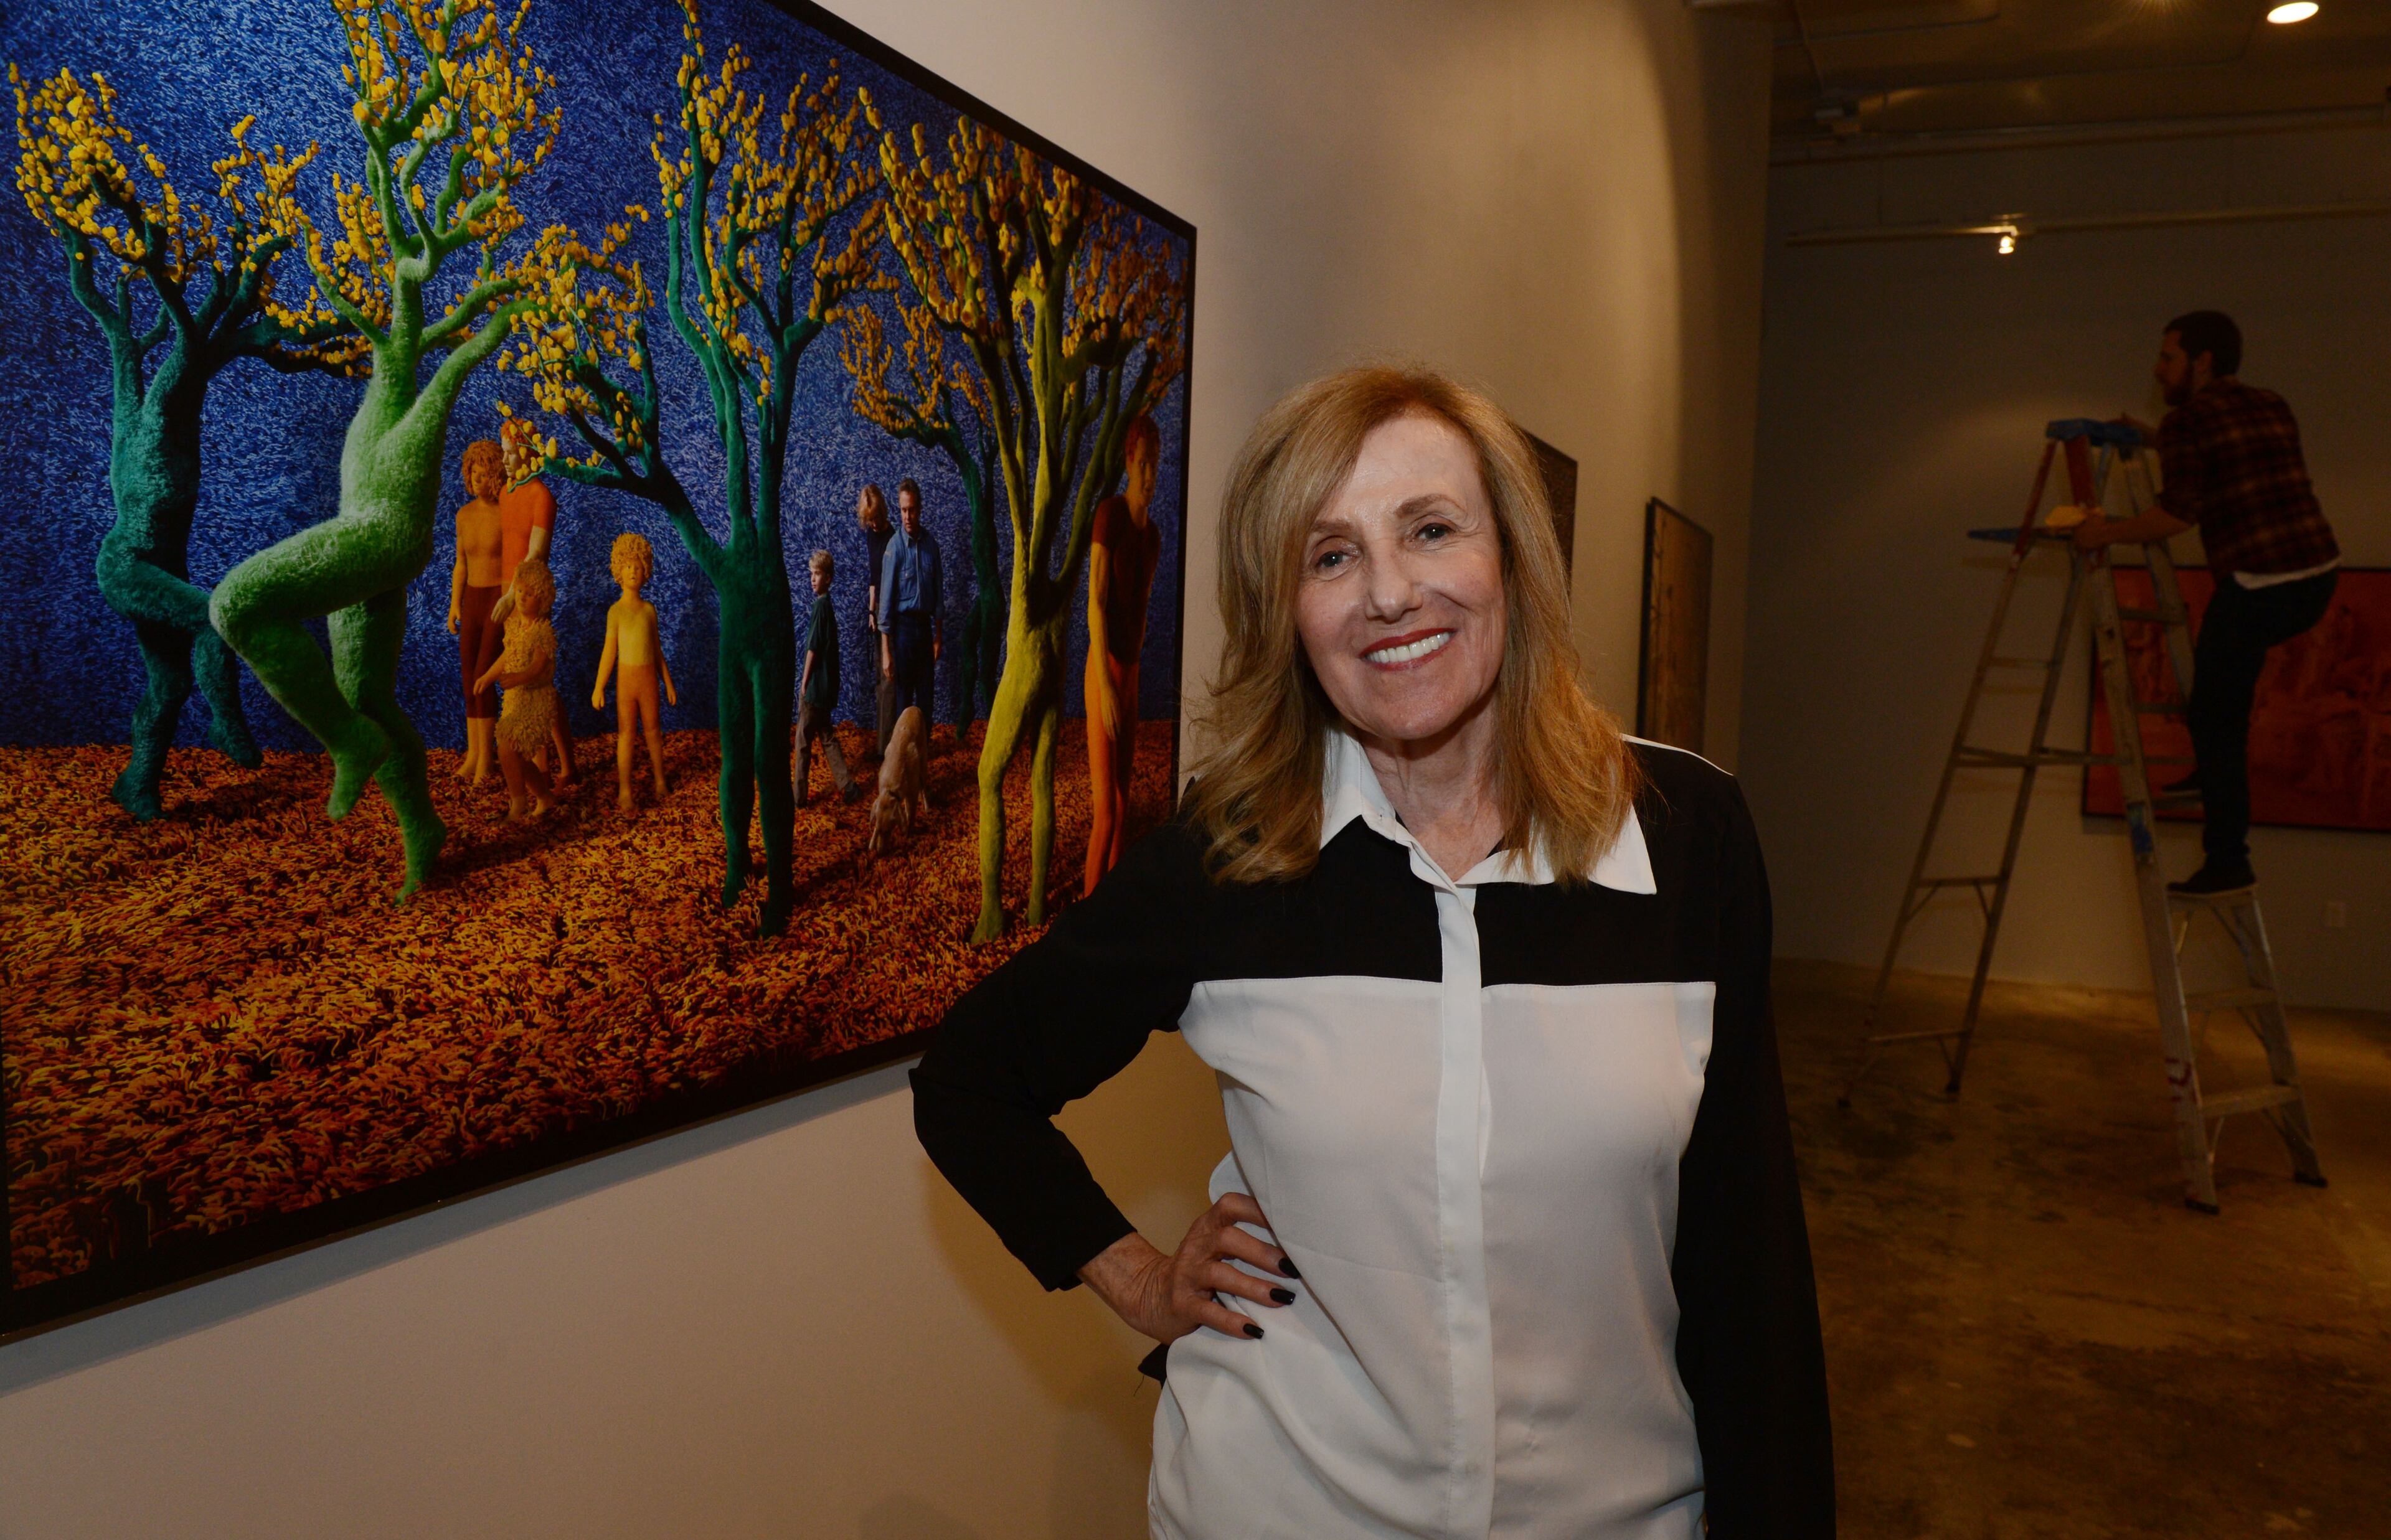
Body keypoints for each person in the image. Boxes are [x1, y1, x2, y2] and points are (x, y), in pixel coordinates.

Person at [913, 366, 1833, 1539]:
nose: (1390, 593)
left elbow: (1747, 1257)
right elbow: (970, 1081)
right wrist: (1136, 1273)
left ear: (1511, 557)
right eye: (1329, 554)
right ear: (1287, 607)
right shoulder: (1228, 857)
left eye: (1431, 529)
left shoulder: (1682, 835)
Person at [2079, 311, 2340, 893]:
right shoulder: (2271, 402)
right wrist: (2157, 438)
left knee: (2216, 716)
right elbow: (2228, 452)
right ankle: (2215, 768)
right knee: (2222, 700)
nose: (2158, 368)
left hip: (2259, 584)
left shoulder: (2187, 424)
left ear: (2202, 362)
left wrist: (2105, 535)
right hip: (2318, 577)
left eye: (2168, 358)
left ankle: (2227, 860)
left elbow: (2176, 514)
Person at [1082, 414, 1165, 896]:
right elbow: (1094, 603)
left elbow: (1144, 608)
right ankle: (1085, 924)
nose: (1150, 476)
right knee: (1106, 812)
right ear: (1129, 464)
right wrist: (1108, 687)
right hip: (1104, 671)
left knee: (1126, 803)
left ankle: (1109, 915)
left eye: (1156, 465)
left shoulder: (1152, 537)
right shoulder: (1109, 516)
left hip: (1129, 672)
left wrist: (1128, 682)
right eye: (1143, 464)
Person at [479, 418, 573, 789]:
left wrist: (509, 595)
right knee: (531, 686)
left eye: (510, 454)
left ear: (528, 454)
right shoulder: (507, 494)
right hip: (509, 595)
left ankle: (545, 770)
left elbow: (534, 556)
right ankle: (556, 766)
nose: (505, 461)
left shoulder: (541, 497)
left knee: (534, 684)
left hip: (528, 595)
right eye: (503, 454)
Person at [591, 532, 678, 813]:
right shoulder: (615, 612)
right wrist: (599, 686)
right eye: (628, 566)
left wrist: (668, 682)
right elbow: (609, 652)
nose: (633, 571)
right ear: (618, 569)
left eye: (638, 566)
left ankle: (660, 779)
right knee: (626, 733)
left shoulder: (649, 611)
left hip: (648, 680)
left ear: (646, 571)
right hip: (626, 681)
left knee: (653, 731)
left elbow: (657, 651)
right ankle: (625, 788)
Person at [475, 556, 562, 820]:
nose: (523, 598)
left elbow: (538, 667)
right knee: (515, 754)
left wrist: (518, 678)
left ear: (543, 600)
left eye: (531, 594)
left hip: (536, 700)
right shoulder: (513, 627)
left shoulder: (543, 633)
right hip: (514, 699)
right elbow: (506, 657)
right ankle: (545, 797)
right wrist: (487, 678)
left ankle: (518, 802)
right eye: (520, 591)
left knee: (509, 748)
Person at [446, 440, 507, 786]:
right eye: (475, 475)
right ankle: (474, 753)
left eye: (486, 475)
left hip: (497, 601)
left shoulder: (506, 512)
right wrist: (455, 604)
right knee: (469, 677)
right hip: (471, 599)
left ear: (497, 475)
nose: (480, 481)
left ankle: (488, 757)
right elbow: (461, 563)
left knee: (485, 675)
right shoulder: (464, 515)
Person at [795, 548, 865, 807]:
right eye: (811, 574)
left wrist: (804, 682)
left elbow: (813, 648)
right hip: (826, 690)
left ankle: (798, 797)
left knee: (803, 741)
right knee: (827, 736)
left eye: (818, 574)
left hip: (814, 690)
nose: (813, 579)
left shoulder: (820, 608)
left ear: (829, 578)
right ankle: (848, 786)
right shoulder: (828, 607)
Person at [879, 477, 943, 740]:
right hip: (903, 632)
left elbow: (939, 593)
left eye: (912, 509)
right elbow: (885, 602)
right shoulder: (894, 548)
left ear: (920, 509)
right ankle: (904, 761)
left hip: (925, 630)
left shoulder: (931, 547)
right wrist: (886, 650)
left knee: (926, 699)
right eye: (904, 510)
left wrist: (938, 636)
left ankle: (923, 762)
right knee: (904, 702)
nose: (908, 516)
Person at [857, 483, 899, 760]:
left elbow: (892, 582)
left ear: (883, 511)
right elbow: (874, 579)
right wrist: (871, 613)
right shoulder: (871, 537)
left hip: (893, 614)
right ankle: (882, 745)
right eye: (868, 519)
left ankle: (887, 750)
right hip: (877, 612)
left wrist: (883, 617)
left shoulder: (894, 538)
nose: (873, 523)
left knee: (888, 682)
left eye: (876, 518)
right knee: (878, 681)